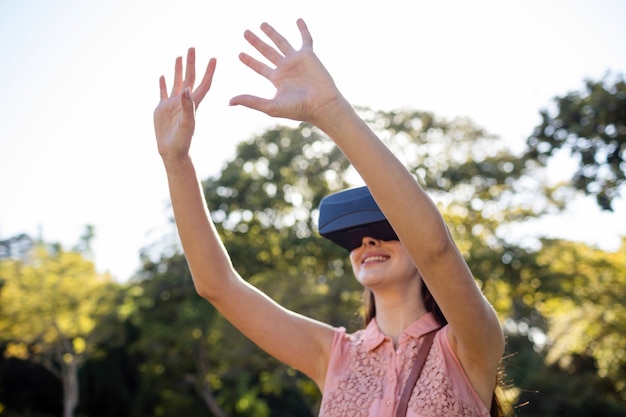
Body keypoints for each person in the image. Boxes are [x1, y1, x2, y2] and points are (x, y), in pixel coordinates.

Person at [153, 18, 509, 417]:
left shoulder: (469, 346)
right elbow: (217, 285)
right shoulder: (332, 354)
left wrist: (329, 110)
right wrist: (176, 161)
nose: (367, 243)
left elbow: (437, 249)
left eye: (383, 232)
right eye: (355, 239)